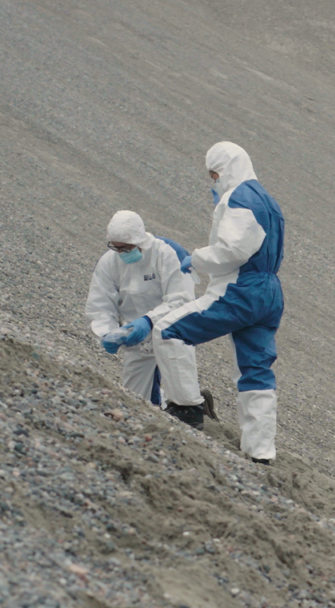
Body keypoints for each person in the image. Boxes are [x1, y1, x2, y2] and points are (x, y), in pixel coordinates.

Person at [107, 141, 286, 464]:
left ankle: (186, 407)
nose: (214, 182)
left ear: (225, 169)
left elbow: (232, 251)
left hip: (240, 287)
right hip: (269, 291)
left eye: (215, 174)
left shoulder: (239, 198)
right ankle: (260, 452)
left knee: (168, 331)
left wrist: (198, 259)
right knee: (255, 369)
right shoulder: (270, 202)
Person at [85, 210, 210, 428]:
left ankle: (193, 409)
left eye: (127, 248)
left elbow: (182, 299)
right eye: (116, 247)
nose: (122, 253)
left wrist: (149, 321)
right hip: (137, 339)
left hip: (172, 332)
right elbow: (100, 305)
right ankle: (170, 404)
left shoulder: (167, 253)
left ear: (140, 240)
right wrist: (108, 333)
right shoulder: (109, 264)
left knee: (182, 393)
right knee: (133, 402)